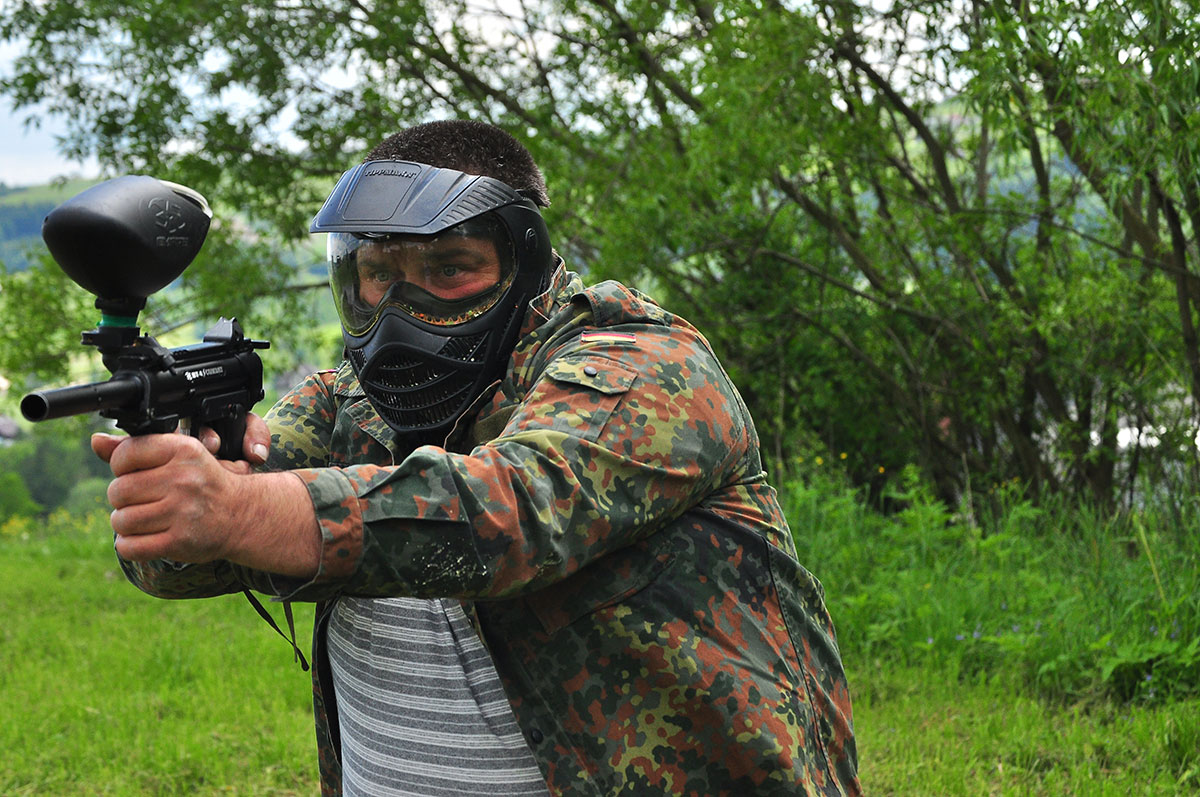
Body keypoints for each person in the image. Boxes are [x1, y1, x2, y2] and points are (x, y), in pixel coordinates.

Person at [92, 120, 861, 796]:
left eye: (449, 269)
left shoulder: (646, 367)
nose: (404, 308)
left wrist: (241, 509)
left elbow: (512, 514)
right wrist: (177, 483)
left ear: (521, 258)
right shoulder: (344, 403)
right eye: (380, 275)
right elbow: (183, 558)